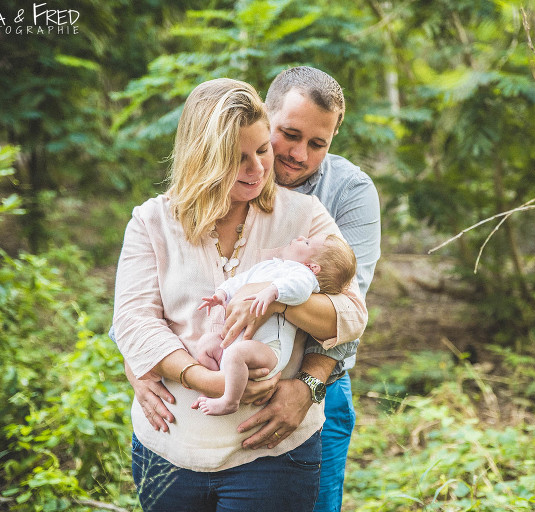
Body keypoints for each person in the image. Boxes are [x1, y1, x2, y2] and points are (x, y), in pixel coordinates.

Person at [126, 66, 381, 512]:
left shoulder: (324, 206)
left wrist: (305, 380)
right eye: (287, 137)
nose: (274, 162)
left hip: (294, 419)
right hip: (172, 445)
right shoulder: (154, 219)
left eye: (317, 143)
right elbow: (133, 318)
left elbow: (350, 308)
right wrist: (172, 372)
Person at [193, 233, 357, 416]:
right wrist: (222, 293)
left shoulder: (303, 275)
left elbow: (300, 289)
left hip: (270, 348)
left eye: (307, 242)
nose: (301, 237)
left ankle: (230, 401)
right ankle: (215, 386)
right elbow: (241, 280)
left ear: (313, 267)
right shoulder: (271, 266)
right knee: (207, 344)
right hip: (240, 344)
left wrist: (273, 292)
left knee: (236, 355)